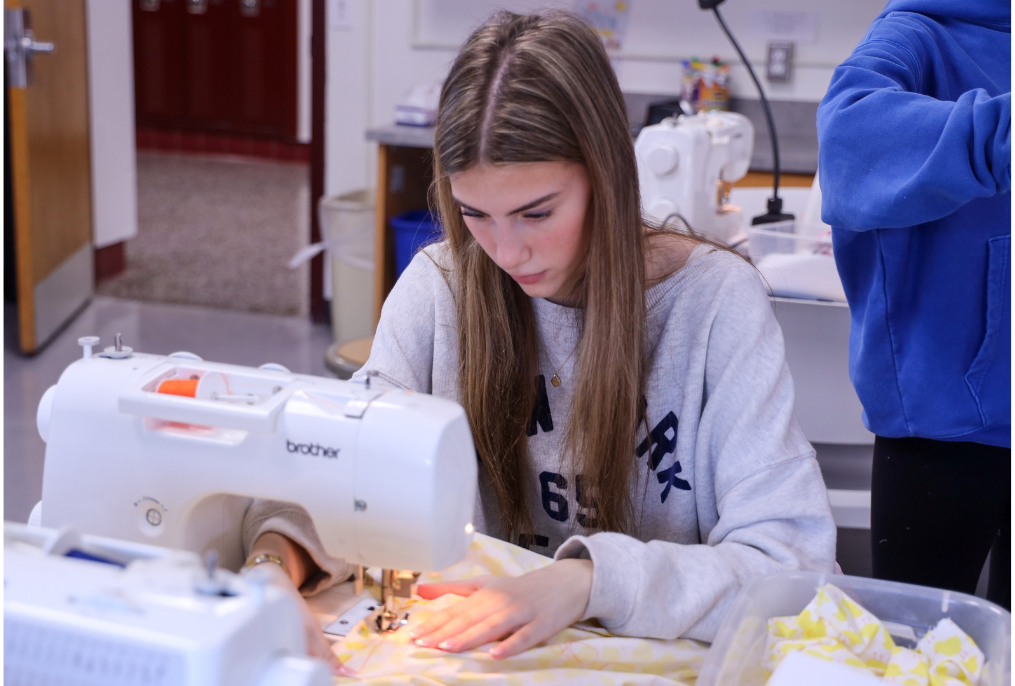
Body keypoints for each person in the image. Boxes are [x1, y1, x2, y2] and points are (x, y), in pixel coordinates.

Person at [243, 10, 835, 664]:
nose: (505, 251)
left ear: (605, 176)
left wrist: (584, 582)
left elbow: (792, 567)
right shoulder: (439, 287)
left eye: (536, 213)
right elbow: (343, 472)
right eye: (474, 215)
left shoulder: (715, 302)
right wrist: (273, 566)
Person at [817, 0, 1010, 608]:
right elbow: (847, 139)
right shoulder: (915, 33)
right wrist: (996, 137)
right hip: (943, 427)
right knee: (918, 644)